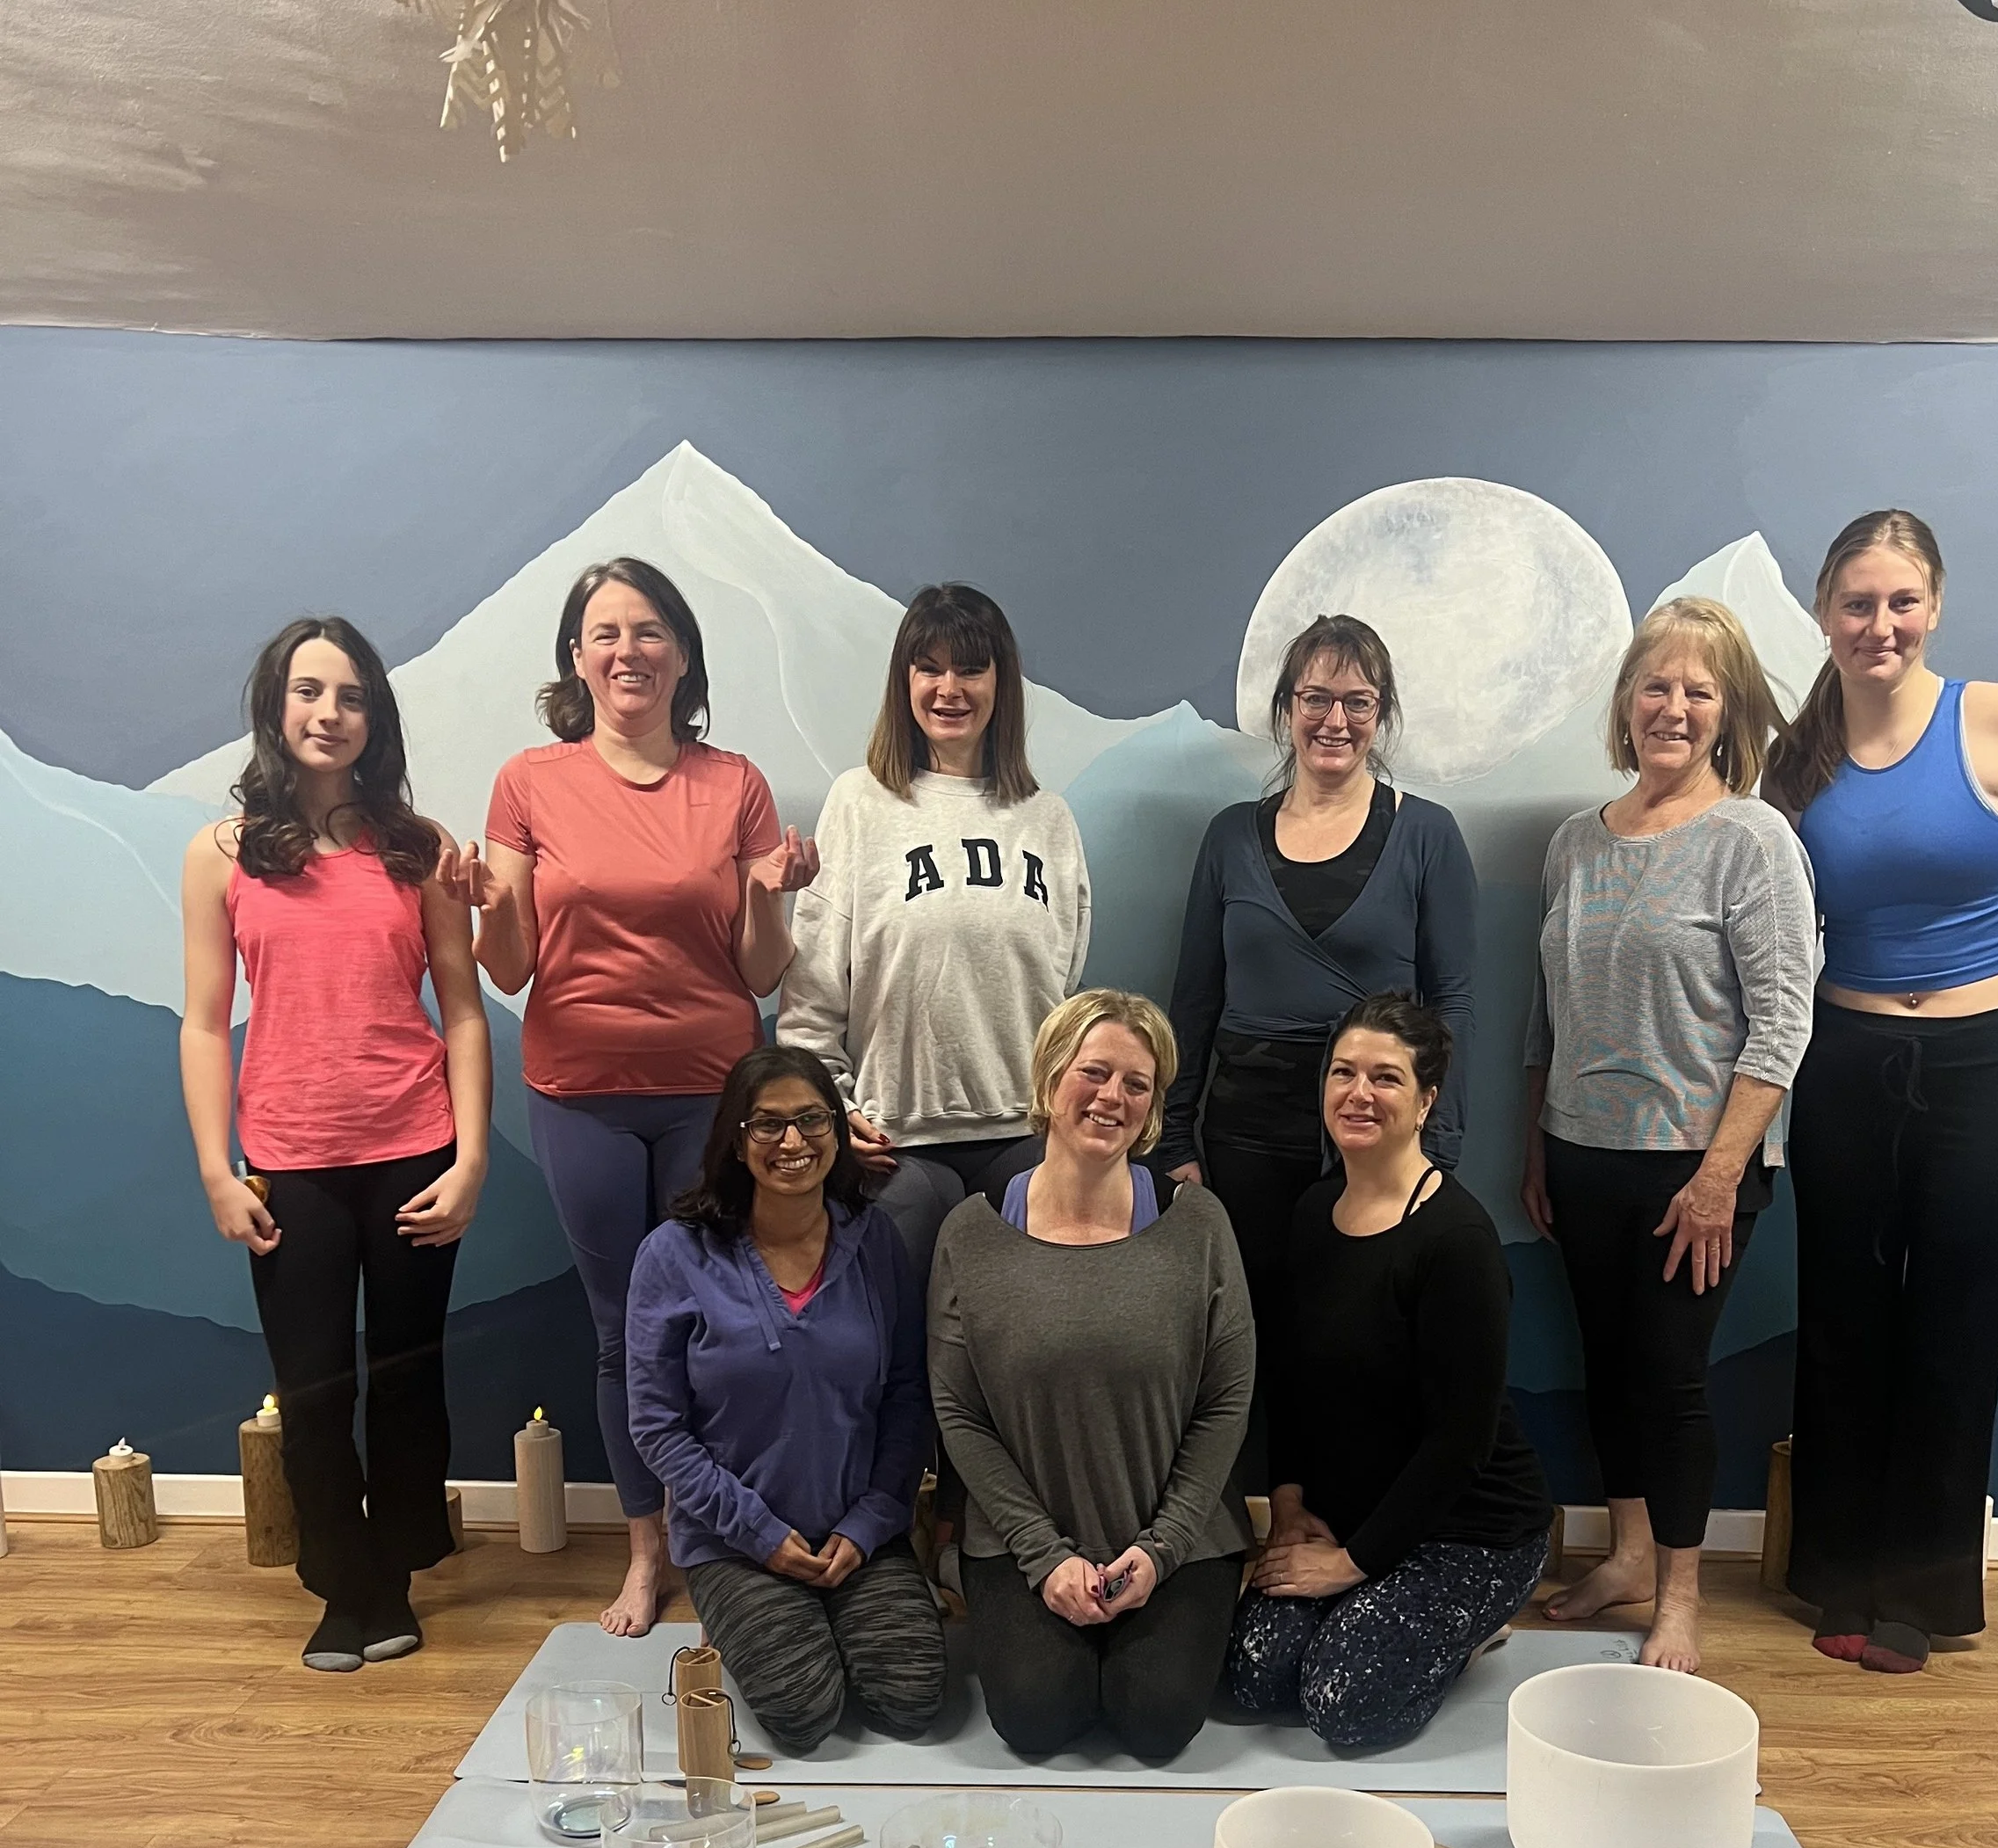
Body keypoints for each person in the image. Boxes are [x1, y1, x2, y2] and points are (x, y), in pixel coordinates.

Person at [440, 557, 818, 1637]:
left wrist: (775, 900)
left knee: (728, 1321)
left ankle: (731, 1532)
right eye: (604, 633)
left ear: (682, 654)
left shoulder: (733, 782)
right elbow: (509, 967)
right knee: (624, 1334)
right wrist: (484, 908)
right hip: (583, 1093)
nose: (627, 651)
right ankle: (649, 1550)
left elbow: (756, 971)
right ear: (576, 659)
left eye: (649, 632)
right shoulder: (530, 782)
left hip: (713, 1096)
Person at [1765, 509, 1998, 1674]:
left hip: (1991, 1058)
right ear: (1824, 614)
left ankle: (1924, 1592)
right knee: (1845, 1324)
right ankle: (1836, 1574)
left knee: (1956, 1327)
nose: (1880, 625)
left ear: (1936, 605)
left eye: (1901, 601)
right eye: (1858, 604)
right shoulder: (1794, 759)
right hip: (1847, 1065)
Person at [179, 618, 490, 1672]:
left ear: (375, 717)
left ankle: (393, 1575)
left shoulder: (422, 850)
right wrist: (219, 1171)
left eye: (350, 696)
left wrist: (472, 1160)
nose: (328, 714)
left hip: (414, 1151)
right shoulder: (221, 856)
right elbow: (203, 1019)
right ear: (275, 707)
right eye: (309, 692)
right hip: (289, 1166)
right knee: (313, 1388)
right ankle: (340, 1585)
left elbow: (463, 1013)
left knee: (408, 1381)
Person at [1521, 599, 1818, 1672]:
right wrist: (1533, 1145)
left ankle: (1681, 1596)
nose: (1673, 708)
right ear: (1626, 701)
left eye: (1700, 691)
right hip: (1580, 1151)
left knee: (1669, 1377)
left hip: (1698, 1166)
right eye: (1656, 685)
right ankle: (1630, 1556)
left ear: (1729, 713)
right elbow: (1543, 1012)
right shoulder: (1572, 846)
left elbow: (1785, 1020)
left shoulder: (1752, 840)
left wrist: (1717, 1177)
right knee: (1607, 1366)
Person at [929, 989, 1253, 1764]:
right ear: (1049, 1083)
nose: (1112, 1097)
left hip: (1181, 1534)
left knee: (1158, 1722)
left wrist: (1163, 1546)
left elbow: (1226, 1399)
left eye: (1136, 1084)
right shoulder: (970, 1234)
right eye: (1094, 1072)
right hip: (1022, 1538)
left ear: (1151, 1110)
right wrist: (1044, 1555)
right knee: (1039, 1717)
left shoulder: (1198, 1224)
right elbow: (959, 1411)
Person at [1159, 613, 1479, 1380]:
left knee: (1367, 1341)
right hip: (1244, 1137)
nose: (1335, 720)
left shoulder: (1427, 835)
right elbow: (1195, 999)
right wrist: (1174, 1140)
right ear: (1286, 709)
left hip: (1378, 1135)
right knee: (1246, 1345)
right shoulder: (1229, 837)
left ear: (1381, 714)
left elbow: (1455, 1002)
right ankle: (1264, 1504)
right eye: (1315, 698)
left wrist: (1438, 1149)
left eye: (1358, 702)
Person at [1229, 997, 1553, 1748]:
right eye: (1343, 1072)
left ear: (1426, 1101)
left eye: (1386, 1078)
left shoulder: (1456, 1240)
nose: (1358, 1094)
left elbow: (1461, 1441)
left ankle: (1476, 1632)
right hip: (1345, 1514)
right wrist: (1287, 1505)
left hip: (1470, 1528)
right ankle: (1370, 1606)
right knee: (1254, 1675)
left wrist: (1350, 1564)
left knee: (1346, 1704)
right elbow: (1293, 1383)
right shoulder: (1313, 1212)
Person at [624, 1045, 945, 1755]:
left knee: (912, 1699)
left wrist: (869, 1524)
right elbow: (657, 1427)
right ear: (735, 1141)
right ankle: (757, 1614)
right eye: (767, 1124)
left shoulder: (877, 1242)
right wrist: (760, 1535)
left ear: (838, 1128)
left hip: (859, 1532)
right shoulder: (673, 1256)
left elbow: (906, 1396)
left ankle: (829, 1610)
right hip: (735, 1538)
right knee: (803, 1715)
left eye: (811, 1119)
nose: (793, 1141)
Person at [778, 583, 1091, 1285]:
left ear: (1000, 684)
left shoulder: (1049, 820)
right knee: (898, 1360)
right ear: (905, 682)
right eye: (930, 667)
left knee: (1012, 1357)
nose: (950, 688)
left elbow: (1062, 989)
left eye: (971, 668)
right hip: (893, 1143)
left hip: (1024, 1136)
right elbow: (811, 995)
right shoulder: (860, 803)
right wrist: (832, 1106)